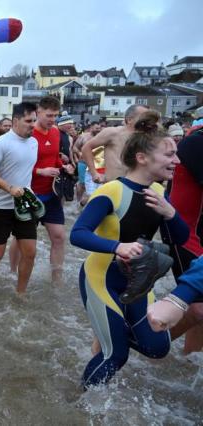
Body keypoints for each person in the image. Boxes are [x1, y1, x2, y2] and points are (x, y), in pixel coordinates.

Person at [69, 110, 188, 388]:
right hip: (102, 279)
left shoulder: (159, 192)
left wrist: (170, 213)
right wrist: (118, 247)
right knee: (115, 356)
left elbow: (179, 238)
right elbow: (78, 234)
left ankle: (116, 330)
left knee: (157, 347)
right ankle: (78, 404)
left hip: (138, 282)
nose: (177, 160)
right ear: (142, 158)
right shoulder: (111, 191)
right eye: (170, 154)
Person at [15, 96, 74, 283]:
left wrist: (64, 166)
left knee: (59, 237)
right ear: (38, 112)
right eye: (49, 115)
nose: (52, 119)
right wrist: (40, 171)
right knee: (20, 240)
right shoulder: (27, 134)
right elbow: (16, 165)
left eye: (56, 115)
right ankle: (11, 272)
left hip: (52, 194)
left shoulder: (56, 132)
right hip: (30, 194)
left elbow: (54, 157)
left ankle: (56, 279)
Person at [0, 103, 38, 293]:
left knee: (30, 253)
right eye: (28, 121)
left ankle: (20, 293)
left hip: (24, 205)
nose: (33, 125)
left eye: (34, 121)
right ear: (15, 121)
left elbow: (25, 171)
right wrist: (9, 188)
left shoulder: (33, 142)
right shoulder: (1, 143)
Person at [163, 126, 203, 354]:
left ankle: (191, 358)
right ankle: (147, 350)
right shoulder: (196, 143)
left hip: (198, 236)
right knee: (198, 308)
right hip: (186, 236)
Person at [82, 104, 148, 184]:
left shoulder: (147, 137)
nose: (147, 120)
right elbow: (86, 147)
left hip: (137, 185)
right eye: (143, 116)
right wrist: (94, 173)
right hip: (114, 185)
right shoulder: (113, 133)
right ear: (130, 119)